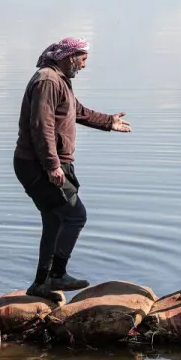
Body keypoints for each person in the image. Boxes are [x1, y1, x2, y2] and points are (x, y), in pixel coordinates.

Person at [14, 37, 131, 302]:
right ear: (69, 57)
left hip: (46, 162)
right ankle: (57, 274)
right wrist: (52, 165)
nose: (84, 65)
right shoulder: (47, 80)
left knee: (54, 220)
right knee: (76, 215)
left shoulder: (59, 81)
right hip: (39, 165)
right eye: (83, 59)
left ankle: (41, 283)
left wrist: (108, 122)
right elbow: (40, 126)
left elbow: (76, 111)